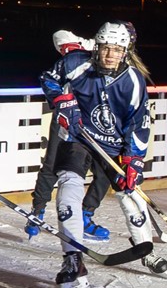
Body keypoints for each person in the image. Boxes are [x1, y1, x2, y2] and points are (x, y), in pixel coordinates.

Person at [39, 21, 167, 288]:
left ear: (126, 52)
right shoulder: (77, 63)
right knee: (67, 191)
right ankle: (73, 259)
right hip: (79, 138)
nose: (110, 55)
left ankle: (145, 250)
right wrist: (62, 101)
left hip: (115, 147)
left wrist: (134, 159)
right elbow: (48, 78)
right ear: (96, 47)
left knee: (131, 198)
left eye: (117, 50)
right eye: (106, 48)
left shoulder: (132, 80)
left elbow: (139, 121)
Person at [25, 29, 112, 242]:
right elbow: (60, 36)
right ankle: (37, 211)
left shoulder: (100, 51)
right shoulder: (73, 57)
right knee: (53, 164)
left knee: (106, 169)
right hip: (65, 118)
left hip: (95, 120)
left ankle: (86, 215)